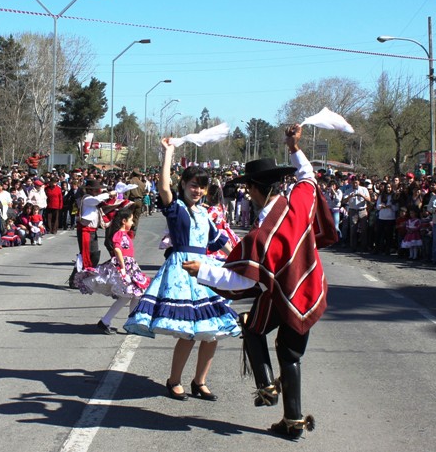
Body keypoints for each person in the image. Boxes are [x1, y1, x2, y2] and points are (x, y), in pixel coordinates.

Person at [182, 124, 332, 440]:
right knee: (287, 351)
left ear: (255, 189)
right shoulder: (299, 202)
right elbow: (307, 177)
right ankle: (291, 419)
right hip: (308, 289)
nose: (248, 194)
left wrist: (202, 269)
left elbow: (236, 278)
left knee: (254, 329)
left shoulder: (263, 235)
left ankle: (267, 387)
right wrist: (294, 147)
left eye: (249, 189)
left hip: (285, 294)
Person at [125, 137, 240, 402]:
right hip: (182, 270)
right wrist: (168, 153)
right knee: (189, 331)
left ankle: (200, 381)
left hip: (205, 271)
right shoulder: (176, 209)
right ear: (184, 186)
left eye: (201, 187)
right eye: (193, 185)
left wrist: (242, 261)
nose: (197, 190)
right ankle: (174, 380)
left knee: (213, 332)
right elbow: (164, 186)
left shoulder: (205, 214)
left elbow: (220, 243)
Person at [75, 208, 150, 334]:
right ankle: (110, 321)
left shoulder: (125, 234)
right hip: (124, 266)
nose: (133, 223)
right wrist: (123, 267)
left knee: (137, 294)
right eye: (131, 220)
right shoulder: (119, 234)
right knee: (129, 295)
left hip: (130, 265)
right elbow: (118, 250)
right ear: (124, 221)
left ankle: (126, 322)